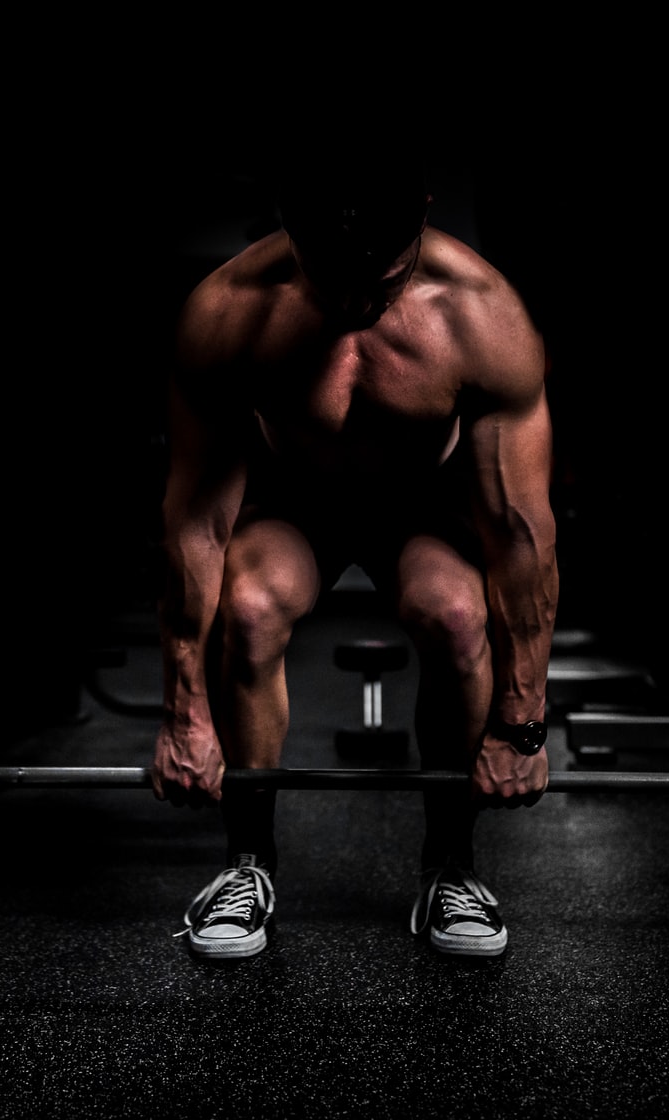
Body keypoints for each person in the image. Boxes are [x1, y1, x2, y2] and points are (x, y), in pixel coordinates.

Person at [150, 140, 560, 959]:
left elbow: (518, 532)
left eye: (381, 276)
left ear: (422, 222)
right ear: (286, 226)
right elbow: (197, 521)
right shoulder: (229, 312)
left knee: (454, 614)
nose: (354, 299)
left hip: (425, 506)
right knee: (250, 605)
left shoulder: (480, 316)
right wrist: (184, 714)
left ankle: (450, 869)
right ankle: (247, 865)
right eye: (330, 274)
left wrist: (521, 726)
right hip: (296, 502)